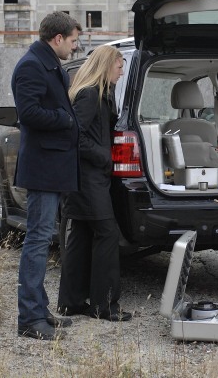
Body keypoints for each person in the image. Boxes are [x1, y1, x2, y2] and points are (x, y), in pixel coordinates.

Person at [12, 11, 82, 340]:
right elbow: (28, 113)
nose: (75, 47)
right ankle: (29, 319)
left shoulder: (48, 65)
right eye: (73, 40)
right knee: (37, 242)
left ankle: (40, 310)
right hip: (42, 169)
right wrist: (65, 120)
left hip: (52, 168)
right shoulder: (31, 66)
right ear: (57, 39)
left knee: (41, 241)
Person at [56, 45, 132, 322]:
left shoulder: (101, 96)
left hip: (86, 178)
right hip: (87, 179)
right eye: (119, 66)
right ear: (105, 65)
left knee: (81, 236)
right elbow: (75, 136)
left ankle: (71, 303)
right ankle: (103, 306)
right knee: (107, 234)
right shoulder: (89, 96)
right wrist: (104, 157)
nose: (122, 72)